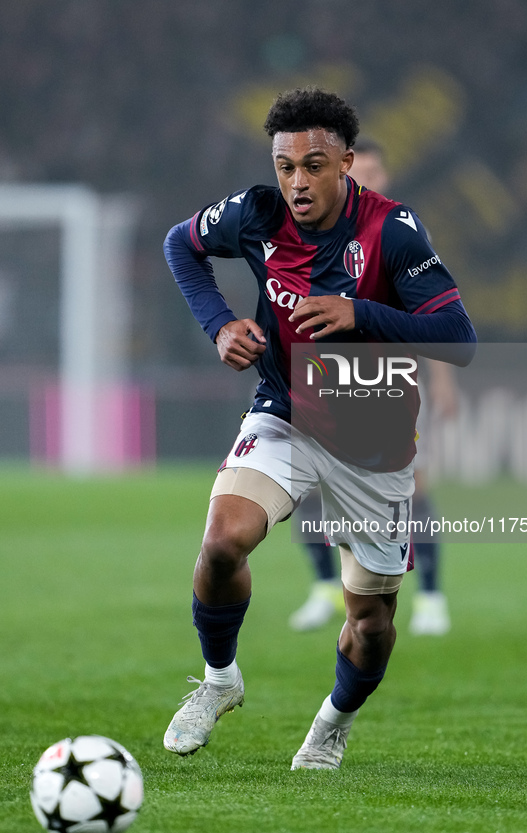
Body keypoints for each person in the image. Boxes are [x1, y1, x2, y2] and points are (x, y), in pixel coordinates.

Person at [163, 87, 476, 770]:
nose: (296, 182)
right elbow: (179, 246)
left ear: (346, 164)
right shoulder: (254, 212)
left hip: (375, 442)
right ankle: (219, 680)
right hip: (286, 412)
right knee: (221, 542)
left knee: (369, 624)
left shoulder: (392, 230)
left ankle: (333, 719)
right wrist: (219, 325)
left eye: (312, 165)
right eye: (284, 166)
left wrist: (360, 314)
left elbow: (457, 336)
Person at [288, 139, 460, 635]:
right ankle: (324, 588)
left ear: (384, 178)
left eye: (373, 172)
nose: (365, 181)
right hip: (324, 381)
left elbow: (436, 310)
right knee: (312, 488)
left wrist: (443, 379)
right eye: (356, 173)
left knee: (413, 489)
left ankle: (430, 595)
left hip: (391, 381)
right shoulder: (313, 232)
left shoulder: (401, 232)